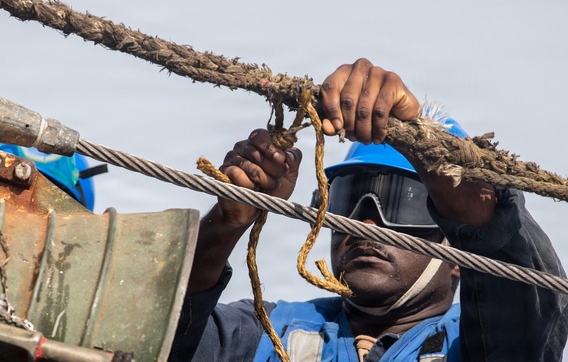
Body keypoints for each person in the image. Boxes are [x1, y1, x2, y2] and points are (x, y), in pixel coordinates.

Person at [169, 58, 568, 361]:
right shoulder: (266, 332)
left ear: (458, 257)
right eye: (347, 198)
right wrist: (224, 226)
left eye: (403, 204)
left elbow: (525, 287)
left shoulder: (484, 342)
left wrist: (423, 140)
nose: (365, 221)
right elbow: (154, 339)